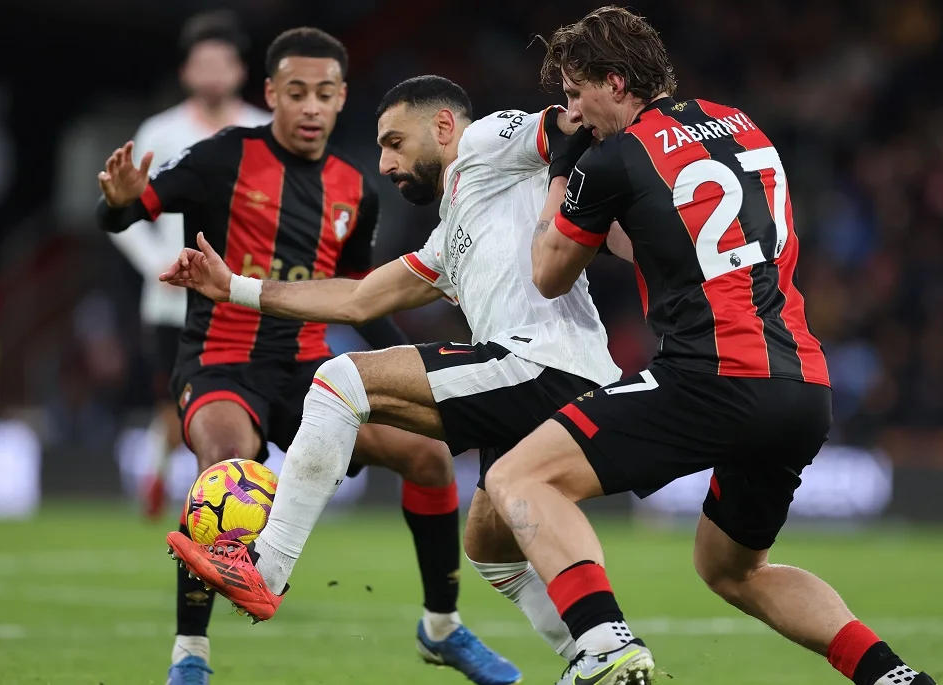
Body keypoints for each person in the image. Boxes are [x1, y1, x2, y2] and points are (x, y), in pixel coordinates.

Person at [479, 6, 939, 685]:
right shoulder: (740, 124)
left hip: (712, 377)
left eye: (575, 94)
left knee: (518, 476)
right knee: (730, 568)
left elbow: (548, 272)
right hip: (802, 386)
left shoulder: (610, 158)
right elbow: (669, 237)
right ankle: (894, 678)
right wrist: (597, 205)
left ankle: (603, 645)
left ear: (614, 82)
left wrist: (566, 172)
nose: (572, 112)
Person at [162, 75, 627, 678]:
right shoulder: (452, 231)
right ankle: (603, 654)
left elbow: (564, 125)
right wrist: (235, 289)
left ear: (441, 128)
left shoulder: (485, 141)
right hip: (560, 381)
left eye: (394, 143)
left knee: (339, 381)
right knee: (491, 550)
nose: (383, 163)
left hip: (542, 363)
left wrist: (598, 114)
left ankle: (267, 567)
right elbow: (358, 301)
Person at [96, 29, 516, 685]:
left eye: (325, 93)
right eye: (296, 93)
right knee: (226, 471)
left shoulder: (356, 188)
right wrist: (119, 201)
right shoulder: (220, 158)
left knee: (427, 455)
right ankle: (190, 655)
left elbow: (358, 296)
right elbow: (128, 213)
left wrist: (412, 364)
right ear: (270, 95)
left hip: (309, 371)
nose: (311, 107)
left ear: (342, 97)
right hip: (219, 363)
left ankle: (441, 629)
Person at [109, 10, 269, 521]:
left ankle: (222, 494)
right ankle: (172, 483)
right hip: (171, 300)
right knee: (175, 406)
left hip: (243, 298)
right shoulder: (160, 131)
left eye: (223, 62)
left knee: (239, 401)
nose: (214, 74)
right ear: (186, 73)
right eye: (204, 63)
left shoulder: (261, 130)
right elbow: (125, 212)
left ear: (241, 71)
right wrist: (160, 263)